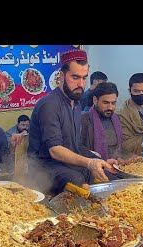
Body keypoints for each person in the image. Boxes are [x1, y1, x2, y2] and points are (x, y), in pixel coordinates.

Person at [28, 49, 117, 194]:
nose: (81, 84)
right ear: (61, 76)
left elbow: (74, 145)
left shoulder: (76, 102)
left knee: (110, 173)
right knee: (77, 181)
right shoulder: (50, 105)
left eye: (84, 78)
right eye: (75, 77)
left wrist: (100, 161)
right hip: (45, 166)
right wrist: (89, 162)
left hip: (67, 163)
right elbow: (55, 151)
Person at [81, 81, 123, 160]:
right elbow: (78, 150)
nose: (110, 107)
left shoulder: (117, 119)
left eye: (113, 103)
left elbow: (118, 149)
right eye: (106, 103)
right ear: (95, 100)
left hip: (116, 167)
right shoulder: (84, 121)